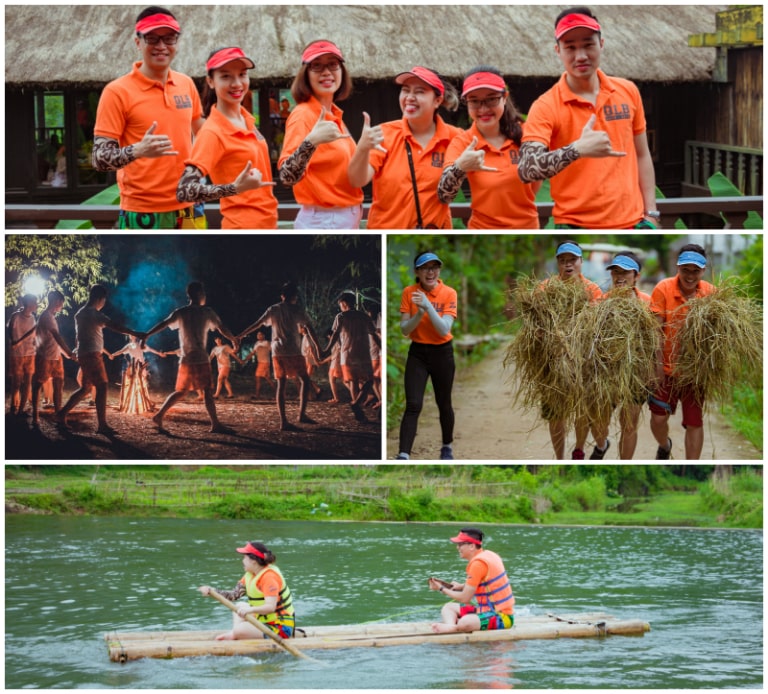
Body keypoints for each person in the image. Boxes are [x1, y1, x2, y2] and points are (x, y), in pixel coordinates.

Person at [518, 7, 659, 229]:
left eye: (588, 45)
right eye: (570, 48)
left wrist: (651, 212)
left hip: (632, 222)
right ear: (558, 51)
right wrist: (577, 150)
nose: (581, 56)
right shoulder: (545, 106)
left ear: (601, 44)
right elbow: (527, 169)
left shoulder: (627, 91)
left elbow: (642, 154)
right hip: (575, 225)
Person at [92, 7, 206, 229]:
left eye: (169, 38)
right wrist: (138, 150)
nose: (161, 46)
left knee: (195, 263)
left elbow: (200, 129)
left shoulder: (186, 83)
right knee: (143, 264)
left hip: (191, 203)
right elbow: (99, 158)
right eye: (152, 38)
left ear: (177, 42)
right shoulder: (117, 91)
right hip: (143, 210)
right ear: (138, 42)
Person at [347, 66, 461, 229]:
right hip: (386, 236)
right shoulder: (384, 134)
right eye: (405, 90)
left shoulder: (455, 138)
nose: (409, 97)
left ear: (437, 100)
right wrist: (362, 148)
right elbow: (357, 180)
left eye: (420, 92)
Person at [176, 47, 278, 229]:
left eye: (242, 74)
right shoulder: (213, 132)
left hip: (267, 225)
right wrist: (233, 189)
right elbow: (184, 190)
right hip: (242, 228)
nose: (237, 83)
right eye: (226, 76)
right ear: (211, 81)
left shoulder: (246, 120)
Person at [439, 67, 540, 229]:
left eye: (491, 99)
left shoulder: (526, 134)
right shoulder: (463, 142)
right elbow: (444, 196)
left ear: (504, 98)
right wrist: (460, 168)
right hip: (483, 230)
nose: (484, 109)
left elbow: (536, 183)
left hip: (526, 230)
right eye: (474, 101)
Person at [279, 39, 363, 229]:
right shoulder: (303, 115)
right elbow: (286, 176)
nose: (326, 72)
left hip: (344, 216)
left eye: (333, 64)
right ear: (306, 75)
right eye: (317, 66)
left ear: (342, 71)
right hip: (325, 219)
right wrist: (311, 142)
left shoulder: (334, 114)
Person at [141, 281, 239, 433]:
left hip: (186, 359)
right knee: (206, 390)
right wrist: (233, 338)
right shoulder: (207, 312)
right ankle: (215, 424)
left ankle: (159, 415)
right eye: (204, 293)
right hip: (200, 358)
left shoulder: (181, 312)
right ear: (200, 294)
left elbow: (163, 324)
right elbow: (222, 328)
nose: (205, 296)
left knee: (181, 391)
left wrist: (147, 335)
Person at [649, 244, 716, 460]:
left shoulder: (710, 294)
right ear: (678, 268)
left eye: (695, 271)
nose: (690, 276)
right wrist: (657, 367)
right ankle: (664, 445)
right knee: (659, 419)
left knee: (694, 422)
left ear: (703, 271)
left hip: (694, 372)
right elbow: (655, 332)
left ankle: (692, 463)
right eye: (685, 270)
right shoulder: (663, 289)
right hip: (666, 369)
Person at [542, 241, 605, 459]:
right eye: (563, 261)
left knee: (583, 408)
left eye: (572, 260)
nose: (568, 265)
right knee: (555, 413)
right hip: (553, 360)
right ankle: (559, 457)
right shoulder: (546, 288)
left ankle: (578, 449)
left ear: (581, 262)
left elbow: (597, 325)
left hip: (584, 361)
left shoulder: (592, 290)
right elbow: (537, 322)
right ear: (558, 263)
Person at [57, 285, 145, 435]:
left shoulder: (79, 313)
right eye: (104, 300)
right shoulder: (94, 314)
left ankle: (61, 414)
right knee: (102, 386)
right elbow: (115, 326)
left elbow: (79, 336)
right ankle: (102, 425)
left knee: (85, 388)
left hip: (85, 354)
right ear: (99, 299)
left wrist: (77, 350)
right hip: (92, 355)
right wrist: (134, 332)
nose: (104, 303)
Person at [396, 251, 457, 460]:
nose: (430, 272)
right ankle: (403, 454)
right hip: (418, 353)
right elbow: (405, 329)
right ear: (417, 272)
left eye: (434, 267)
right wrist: (419, 313)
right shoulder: (409, 292)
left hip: (443, 353)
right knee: (413, 404)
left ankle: (447, 446)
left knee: (444, 403)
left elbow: (443, 329)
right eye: (425, 268)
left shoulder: (449, 293)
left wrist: (427, 306)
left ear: (439, 270)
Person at [238, 282, 322, 431]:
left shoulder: (274, 309)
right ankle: (301, 415)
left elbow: (257, 323)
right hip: (293, 350)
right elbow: (310, 328)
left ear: (282, 296)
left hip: (278, 351)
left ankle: (284, 421)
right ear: (294, 296)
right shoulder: (297, 309)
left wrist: (241, 335)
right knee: (304, 380)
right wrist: (319, 348)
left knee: (281, 384)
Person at [601, 251, 652, 459]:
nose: (620, 276)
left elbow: (655, 338)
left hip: (637, 372)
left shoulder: (648, 303)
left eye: (625, 272)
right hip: (607, 371)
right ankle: (601, 444)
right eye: (616, 272)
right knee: (599, 421)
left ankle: (624, 462)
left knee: (629, 424)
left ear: (636, 276)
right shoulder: (602, 303)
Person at [198, 541, 295, 641]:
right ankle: (237, 633)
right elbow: (234, 595)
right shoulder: (251, 574)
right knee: (240, 606)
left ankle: (237, 633)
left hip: (280, 627)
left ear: (254, 560)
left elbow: (270, 607)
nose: (242, 561)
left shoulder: (269, 577)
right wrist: (212, 591)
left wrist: (250, 610)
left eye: (244, 557)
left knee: (241, 628)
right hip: (262, 621)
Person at [428, 528, 514, 634]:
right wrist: (461, 586)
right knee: (448, 608)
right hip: (484, 610)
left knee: (465, 622)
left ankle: (454, 628)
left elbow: (465, 598)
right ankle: (451, 627)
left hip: (502, 616)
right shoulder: (488, 554)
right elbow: (486, 581)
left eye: (460, 544)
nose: (457, 547)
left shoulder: (478, 564)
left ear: (472, 546)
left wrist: (441, 588)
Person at [325, 292, 381, 422]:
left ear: (344, 303)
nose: (340, 307)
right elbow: (374, 335)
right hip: (363, 354)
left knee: (353, 382)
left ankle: (358, 408)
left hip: (347, 355)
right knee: (369, 381)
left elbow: (334, 335)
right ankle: (357, 404)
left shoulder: (341, 316)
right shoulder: (363, 316)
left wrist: (326, 350)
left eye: (340, 304)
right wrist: (383, 347)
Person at [31, 290, 76, 424]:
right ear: (57, 302)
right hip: (45, 357)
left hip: (56, 357)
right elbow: (56, 336)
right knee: (38, 384)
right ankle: (35, 415)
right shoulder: (46, 317)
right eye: (61, 303)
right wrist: (69, 352)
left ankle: (59, 415)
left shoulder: (51, 316)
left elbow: (54, 340)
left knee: (58, 385)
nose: (62, 306)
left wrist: (64, 354)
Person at [7, 294, 38, 416]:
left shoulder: (33, 318)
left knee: (28, 381)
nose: (37, 304)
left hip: (30, 353)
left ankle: (21, 409)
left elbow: (33, 336)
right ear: (29, 304)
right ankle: (13, 406)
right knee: (17, 382)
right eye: (35, 302)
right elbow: (9, 332)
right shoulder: (16, 316)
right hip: (17, 355)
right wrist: (13, 343)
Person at [242, 330, 275, 399]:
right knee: (262, 378)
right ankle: (258, 395)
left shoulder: (267, 343)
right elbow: (252, 353)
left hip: (265, 362)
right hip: (260, 362)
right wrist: (245, 360)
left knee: (264, 378)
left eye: (260, 334)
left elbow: (272, 351)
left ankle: (277, 393)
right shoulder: (256, 343)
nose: (259, 336)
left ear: (263, 335)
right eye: (258, 335)